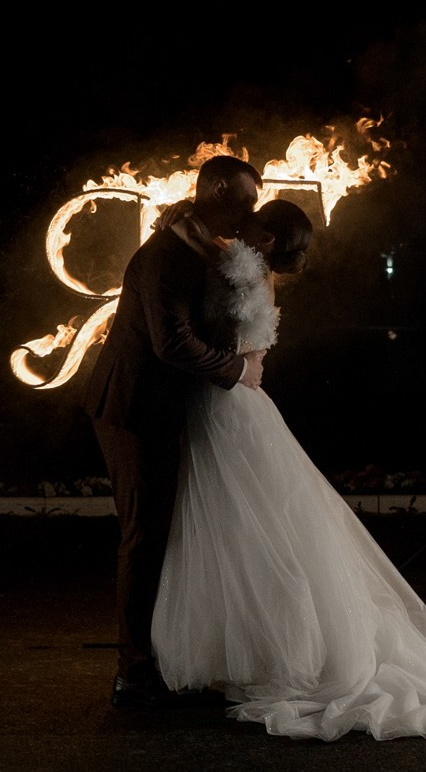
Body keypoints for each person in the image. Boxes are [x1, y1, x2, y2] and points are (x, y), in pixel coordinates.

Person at [150, 197, 426, 740]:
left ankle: (272, 653)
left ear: (265, 240)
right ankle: (251, 648)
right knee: (247, 522)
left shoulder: (243, 270)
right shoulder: (255, 272)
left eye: (253, 220)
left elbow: (205, 252)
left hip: (225, 403)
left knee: (247, 522)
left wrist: (179, 221)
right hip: (232, 400)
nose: (241, 223)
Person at [80, 153, 265, 709]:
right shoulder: (168, 255)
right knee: (144, 536)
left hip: (156, 406)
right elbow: (172, 344)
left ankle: (156, 661)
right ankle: (133, 674)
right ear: (219, 190)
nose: (251, 211)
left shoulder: (191, 247)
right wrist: (238, 370)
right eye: (247, 199)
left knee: (160, 533)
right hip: (133, 408)